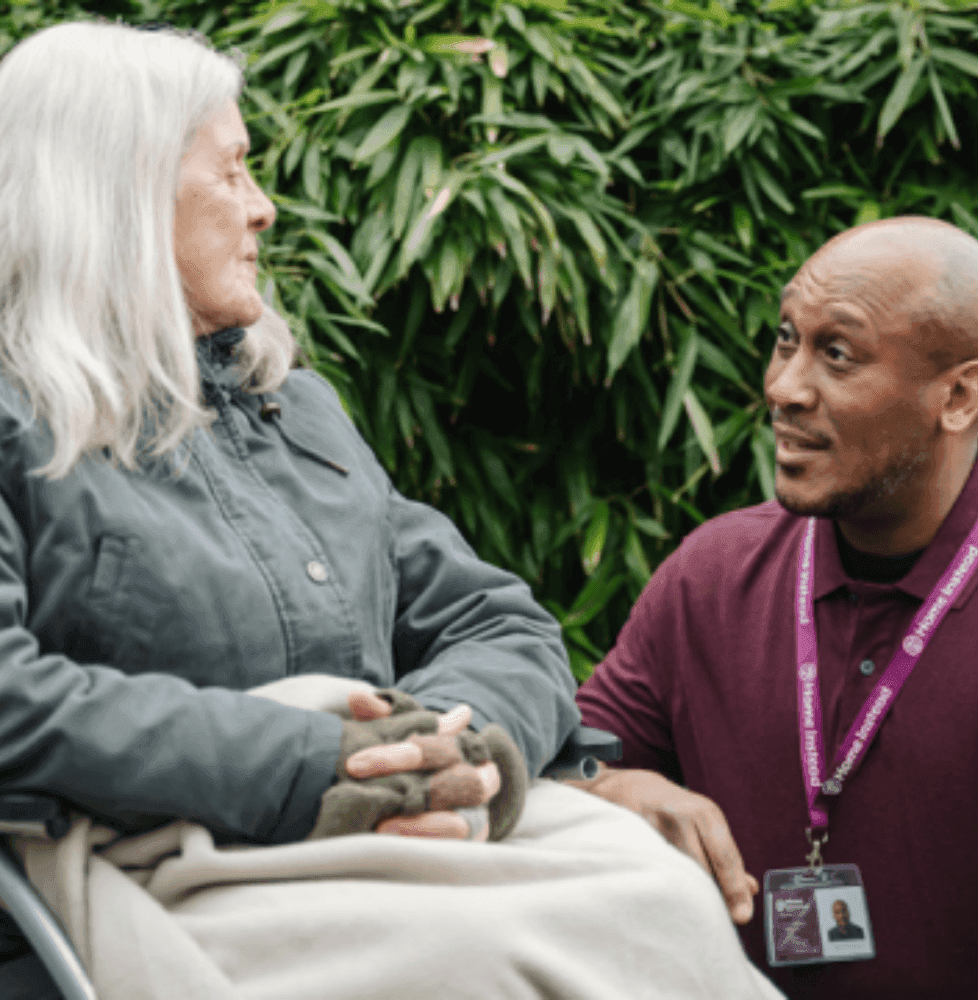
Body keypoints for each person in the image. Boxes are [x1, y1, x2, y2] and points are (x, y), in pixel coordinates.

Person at [0, 19, 783, 1000]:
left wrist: (461, 757)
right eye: (234, 173)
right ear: (116, 197)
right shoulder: (14, 420)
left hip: (381, 839)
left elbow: (495, 620)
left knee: (660, 897)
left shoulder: (296, 409)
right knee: (485, 958)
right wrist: (317, 764)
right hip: (145, 869)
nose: (266, 209)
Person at [576, 215, 978, 1000]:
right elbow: (559, 766)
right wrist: (615, 787)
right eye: (784, 339)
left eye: (836, 354)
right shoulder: (714, 575)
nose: (783, 387)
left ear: (959, 395)